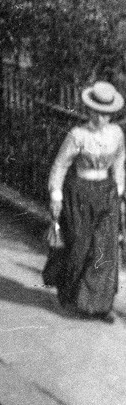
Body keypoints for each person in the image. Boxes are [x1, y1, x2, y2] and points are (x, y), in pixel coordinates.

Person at [43, 81, 125, 321]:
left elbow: (120, 161)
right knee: (79, 244)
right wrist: (56, 195)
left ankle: (98, 305)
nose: (100, 119)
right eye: (96, 113)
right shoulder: (78, 135)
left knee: (105, 248)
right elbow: (60, 165)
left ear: (111, 114)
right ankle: (70, 294)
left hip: (107, 193)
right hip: (79, 193)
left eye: (106, 114)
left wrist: (119, 189)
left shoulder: (116, 134)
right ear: (89, 111)